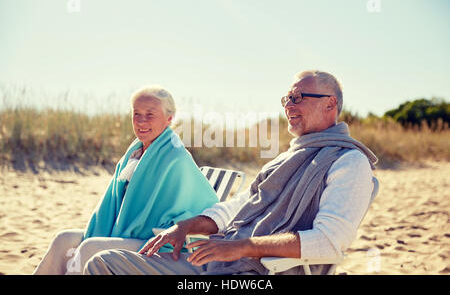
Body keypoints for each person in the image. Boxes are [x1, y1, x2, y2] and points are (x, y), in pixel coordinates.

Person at [83, 70, 378, 275]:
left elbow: (328, 241)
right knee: (102, 261)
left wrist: (241, 248)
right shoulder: (287, 158)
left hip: (256, 270)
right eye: (287, 99)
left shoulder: (348, 163)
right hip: (218, 260)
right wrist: (185, 227)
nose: (289, 105)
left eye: (298, 97)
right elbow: (238, 206)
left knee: (103, 264)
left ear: (331, 104)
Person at [32, 86, 219, 274]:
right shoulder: (135, 153)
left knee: (91, 248)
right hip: (123, 232)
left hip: (154, 242)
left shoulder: (176, 157)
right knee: (63, 239)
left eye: (150, 114)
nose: (141, 121)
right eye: (136, 114)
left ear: (169, 119)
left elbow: (193, 208)